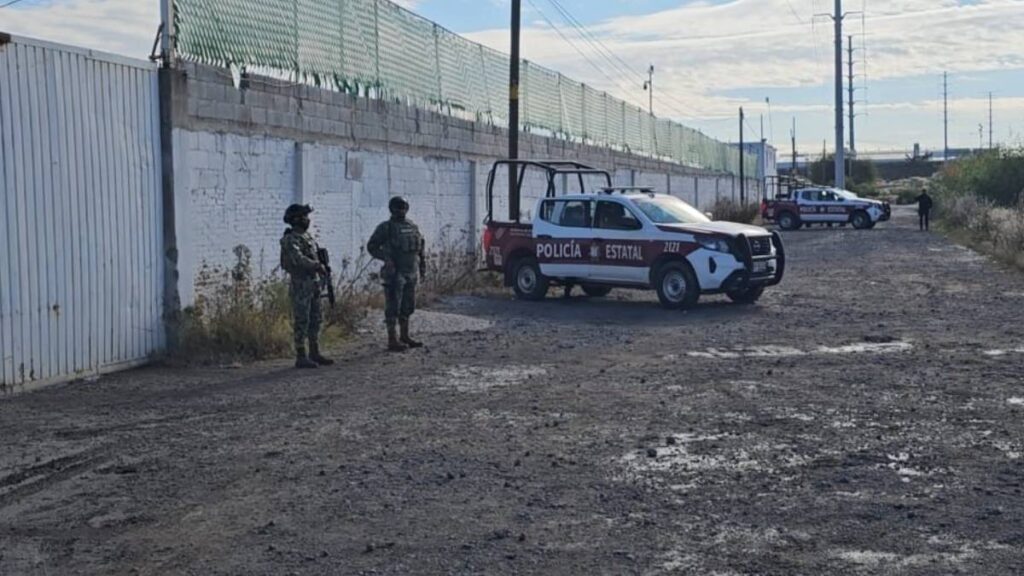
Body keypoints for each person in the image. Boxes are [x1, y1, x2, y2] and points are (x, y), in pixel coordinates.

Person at [368, 197, 427, 352]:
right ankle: (392, 339)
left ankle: (405, 335)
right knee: (393, 306)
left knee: (408, 305)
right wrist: (386, 259)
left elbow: (420, 249)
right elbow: (372, 246)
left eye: (403, 207)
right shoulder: (386, 228)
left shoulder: (412, 226)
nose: (401, 210)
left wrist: (422, 268)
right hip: (395, 273)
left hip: (411, 272)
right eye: (397, 207)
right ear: (391, 209)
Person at [280, 204, 334, 368]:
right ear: (296, 219)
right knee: (302, 319)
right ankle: (301, 355)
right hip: (301, 283)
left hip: (313, 282)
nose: (307, 219)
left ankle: (314, 352)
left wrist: (323, 268)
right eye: (304, 216)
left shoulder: (307, 237)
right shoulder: (291, 239)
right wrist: (316, 265)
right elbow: (298, 259)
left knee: (316, 319)